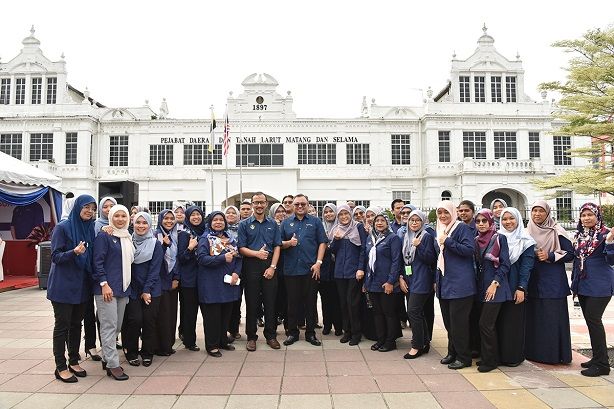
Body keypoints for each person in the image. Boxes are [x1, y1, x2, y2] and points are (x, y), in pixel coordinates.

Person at [47, 194, 97, 383]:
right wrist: (73, 252)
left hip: (82, 286)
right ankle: (60, 367)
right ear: (78, 207)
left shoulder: (90, 228)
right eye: (86, 207)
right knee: (62, 326)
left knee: (76, 324)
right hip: (63, 286)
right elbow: (55, 257)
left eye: (93, 209)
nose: (90, 211)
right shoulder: (63, 227)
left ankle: (73, 361)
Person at [525, 200, 573, 364]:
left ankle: (553, 355)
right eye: (534, 211)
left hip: (553, 281)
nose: (537, 214)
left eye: (541, 211)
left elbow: (570, 254)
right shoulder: (527, 231)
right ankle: (534, 353)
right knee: (535, 318)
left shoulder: (556, 231)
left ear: (547, 213)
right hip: (533, 280)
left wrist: (550, 256)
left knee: (552, 318)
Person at [571, 203, 614, 377]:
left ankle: (602, 364)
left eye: (590, 214)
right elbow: (575, 258)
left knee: (594, 319)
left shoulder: (605, 234)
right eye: (583, 215)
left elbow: (611, 260)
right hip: (583, 284)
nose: (586, 218)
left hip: (600, 285)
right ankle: (597, 358)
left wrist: (610, 242)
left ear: (597, 216)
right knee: (590, 321)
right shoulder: (579, 235)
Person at [93, 204, 134, 381]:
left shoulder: (127, 236)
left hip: (123, 288)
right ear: (110, 217)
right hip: (107, 289)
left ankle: (106, 357)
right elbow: (97, 262)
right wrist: (104, 283)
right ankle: (113, 364)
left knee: (116, 326)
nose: (120, 219)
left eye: (123, 216)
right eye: (116, 216)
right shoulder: (104, 236)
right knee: (109, 326)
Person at [280, 194, 328, 346]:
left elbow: (322, 242)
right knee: (292, 303)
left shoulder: (315, 222)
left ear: (308, 205)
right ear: (293, 206)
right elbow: (278, 244)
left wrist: (318, 263)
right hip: (291, 269)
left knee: (310, 302)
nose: (300, 206)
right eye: (297, 204)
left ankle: (310, 333)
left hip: (311, 269)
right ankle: (292, 333)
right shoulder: (285, 223)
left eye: (303, 204)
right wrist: (289, 243)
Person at [435, 200, 476, 369]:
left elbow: (469, 250)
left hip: (460, 284)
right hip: (445, 284)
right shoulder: (440, 229)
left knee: (459, 324)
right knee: (449, 323)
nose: (443, 215)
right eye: (440, 212)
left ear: (453, 212)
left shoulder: (461, 228)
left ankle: (464, 357)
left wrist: (448, 241)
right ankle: (452, 352)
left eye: (446, 212)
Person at [238, 192, 282, 351]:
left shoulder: (273, 224)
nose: (259, 205)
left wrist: (272, 267)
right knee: (252, 303)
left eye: (262, 202)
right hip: (251, 266)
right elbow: (241, 248)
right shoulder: (244, 224)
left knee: (271, 302)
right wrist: (256, 254)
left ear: (266, 204)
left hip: (269, 265)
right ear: (252, 205)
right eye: (256, 202)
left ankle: (271, 336)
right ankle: (251, 337)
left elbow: (277, 246)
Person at [197, 211, 242, 357]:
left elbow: (238, 258)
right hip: (211, 284)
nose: (218, 222)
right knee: (212, 317)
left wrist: (236, 272)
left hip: (228, 284)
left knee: (225, 315)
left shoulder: (230, 239)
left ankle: (223, 340)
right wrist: (222, 258)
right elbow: (202, 259)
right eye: (215, 220)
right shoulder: (205, 239)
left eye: (221, 220)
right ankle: (212, 345)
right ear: (210, 223)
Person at [121, 211, 163, 367]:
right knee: (134, 320)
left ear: (149, 225)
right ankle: (131, 352)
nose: (141, 226)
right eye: (138, 222)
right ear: (133, 224)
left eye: (144, 223)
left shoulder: (155, 244)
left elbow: (155, 269)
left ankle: (147, 352)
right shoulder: (127, 242)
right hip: (132, 288)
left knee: (149, 321)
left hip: (151, 289)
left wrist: (146, 290)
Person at [473, 209, 512, 372]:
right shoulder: (476, 240)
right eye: (478, 221)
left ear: (490, 222)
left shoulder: (499, 238)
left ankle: (491, 361)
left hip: (496, 288)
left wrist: (495, 283)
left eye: (484, 221)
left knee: (486, 324)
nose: (481, 224)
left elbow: (505, 264)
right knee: (485, 325)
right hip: (481, 288)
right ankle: (487, 357)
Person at [497, 207, 535, 367]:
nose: (508, 222)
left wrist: (521, 288)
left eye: (511, 218)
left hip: (515, 286)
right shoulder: (497, 238)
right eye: (504, 219)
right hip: (499, 286)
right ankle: (498, 355)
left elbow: (527, 267)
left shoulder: (526, 240)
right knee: (499, 321)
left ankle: (513, 357)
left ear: (518, 219)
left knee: (513, 322)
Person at [400, 210, 437, 359]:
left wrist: (419, 246)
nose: (414, 223)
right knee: (418, 312)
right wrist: (401, 277)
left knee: (413, 311)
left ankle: (416, 346)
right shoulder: (405, 236)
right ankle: (424, 342)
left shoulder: (426, 236)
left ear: (423, 222)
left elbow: (431, 259)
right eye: (411, 220)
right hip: (409, 278)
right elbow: (403, 259)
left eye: (417, 220)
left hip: (422, 279)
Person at [364, 212, 403, 352]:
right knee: (377, 313)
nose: (379, 223)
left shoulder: (393, 238)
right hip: (373, 283)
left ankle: (390, 341)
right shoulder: (371, 238)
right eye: (377, 221)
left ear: (387, 223)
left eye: (382, 220)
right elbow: (367, 261)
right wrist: (366, 283)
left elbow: (396, 261)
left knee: (389, 313)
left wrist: (391, 281)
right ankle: (380, 339)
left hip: (387, 283)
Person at [329, 204, 368, 345]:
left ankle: (356, 333)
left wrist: (360, 268)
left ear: (350, 214)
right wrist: (336, 239)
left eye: (346, 213)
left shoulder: (358, 227)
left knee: (353, 303)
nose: (344, 217)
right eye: (341, 214)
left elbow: (363, 248)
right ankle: (347, 331)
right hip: (340, 272)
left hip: (354, 272)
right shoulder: (336, 229)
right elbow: (332, 250)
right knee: (343, 303)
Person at [177, 206, 207, 352]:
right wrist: (190, 248)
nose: (196, 217)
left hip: (204, 278)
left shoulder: (206, 233)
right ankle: (189, 341)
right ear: (188, 218)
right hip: (189, 280)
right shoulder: (184, 234)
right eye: (192, 215)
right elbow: (181, 258)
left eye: (198, 214)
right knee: (189, 311)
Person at [154, 209, 180, 356]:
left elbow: (178, 259)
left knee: (171, 314)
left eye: (171, 218)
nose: (169, 221)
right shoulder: (155, 235)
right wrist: (164, 245)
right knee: (161, 315)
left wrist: (176, 278)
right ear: (160, 220)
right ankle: (160, 347)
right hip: (159, 280)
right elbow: (155, 259)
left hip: (172, 281)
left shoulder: (176, 236)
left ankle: (168, 345)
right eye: (166, 218)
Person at [458, 199, 479, 357]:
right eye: (461, 211)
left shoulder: (478, 227)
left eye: (466, 210)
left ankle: (476, 346)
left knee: (476, 314)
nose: (463, 213)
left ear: (473, 211)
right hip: (464, 275)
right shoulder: (456, 228)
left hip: (478, 274)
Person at [320, 203, 343, 336]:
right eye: (326, 212)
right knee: (325, 299)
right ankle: (327, 325)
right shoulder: (321, 228)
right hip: (323, 269)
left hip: (337, 269)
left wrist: (330, 245)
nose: (328, 214)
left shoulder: (341, 228)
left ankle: (338, 326)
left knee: (336, 299)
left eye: (331, 211)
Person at [271, 203, 290, 332]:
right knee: (273, 297)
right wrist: (287, 243)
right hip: (272, 265)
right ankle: (273, 325)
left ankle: (288, 325)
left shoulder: (289, 225)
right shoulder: (270, 225)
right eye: (278, 211)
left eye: (283, 211)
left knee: (287, 296)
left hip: (287, 265)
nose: (281, 213)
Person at [226, 205, 243, 341]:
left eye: (233, 213)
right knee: (226, 300)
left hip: (240, 267)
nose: (231, 215)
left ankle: (234, 329)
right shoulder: (220, 230)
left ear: (238, 216)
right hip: (224, 268)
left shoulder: (242, 229)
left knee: (237, 299)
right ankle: (224, 328)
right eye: (228, 213)